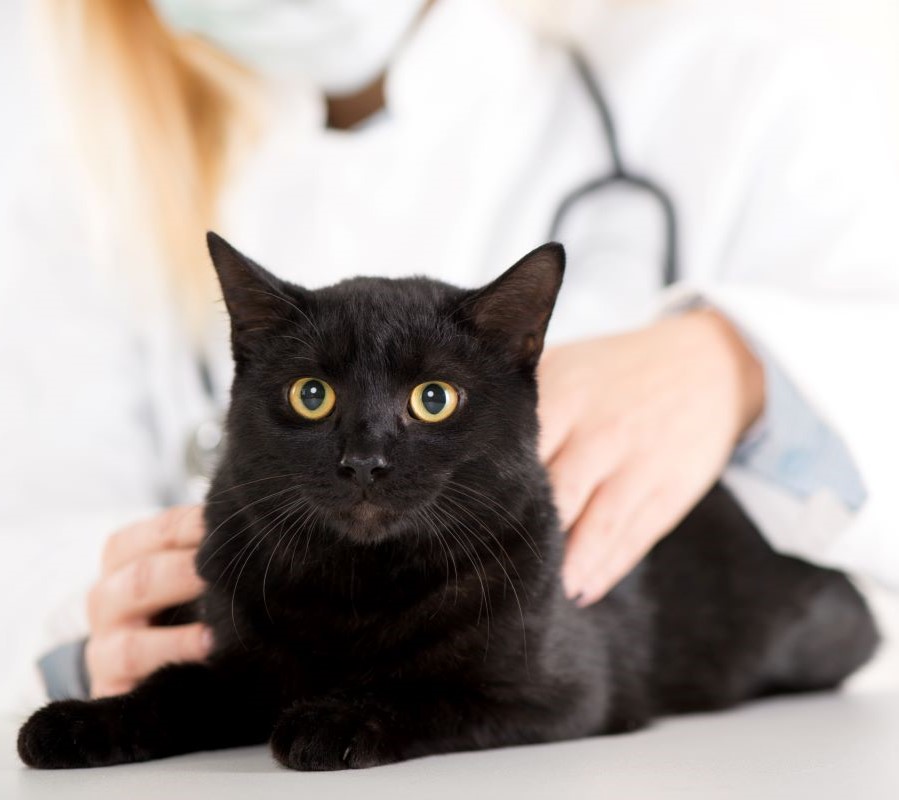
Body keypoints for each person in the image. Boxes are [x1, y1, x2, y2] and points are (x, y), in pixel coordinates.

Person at [1, 0, 897, 712]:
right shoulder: (67, 157)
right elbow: (30, 525)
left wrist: (737, 363)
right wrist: (97, 623)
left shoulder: (723, 79)